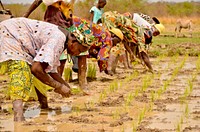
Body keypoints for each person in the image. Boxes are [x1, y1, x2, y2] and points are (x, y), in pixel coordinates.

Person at [0, 17, 91, 121]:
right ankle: (18, 117)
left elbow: (50, 70)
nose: (77, 54)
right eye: (79, 50)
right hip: (11, 33)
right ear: (73, 41)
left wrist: (64, 85)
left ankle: (43, 105)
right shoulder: (58, 39)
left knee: (40, 75)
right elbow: (36, 69)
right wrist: (59, 86)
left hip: (18, 36)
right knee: (21, 71)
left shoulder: (63, 39)